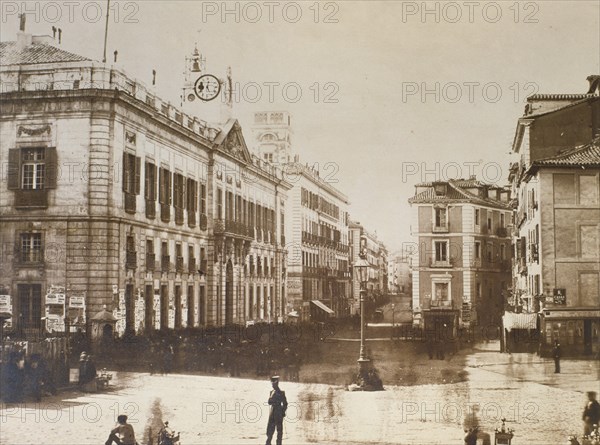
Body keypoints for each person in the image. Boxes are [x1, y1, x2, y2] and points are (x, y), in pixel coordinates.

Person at [266, 375, 287, 445]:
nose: (272, 385)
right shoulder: (271, 392)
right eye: (272, 383)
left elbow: (285, 403)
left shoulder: (281, 393)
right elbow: (269, 402)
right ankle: (268, 443)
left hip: (278, 412)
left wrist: (283, 411)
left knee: (279, 430)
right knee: (270, 429)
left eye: (273, 383)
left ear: (276, 383)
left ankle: (278, 443)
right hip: (272, 412)